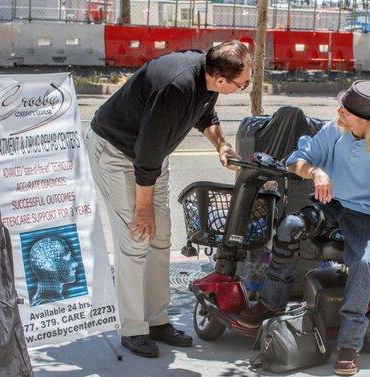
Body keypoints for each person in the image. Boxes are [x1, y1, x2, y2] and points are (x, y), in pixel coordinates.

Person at [238, 80, 370, 375]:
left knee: (364, 261)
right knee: (290, 226)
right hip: (329, 205)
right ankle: (270, 304)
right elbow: (296, 161)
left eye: (345, 110)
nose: (338, 112)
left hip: (364, 216)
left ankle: (349, 343)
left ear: (366, 120)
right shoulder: (335, 130)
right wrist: (316, 171)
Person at [86, 41, 250, 358]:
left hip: (152, 157)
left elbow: (205, 113)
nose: (243, 87)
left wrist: (221, 145)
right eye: (242, 84)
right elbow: (146, 153)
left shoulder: (207, 73)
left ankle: (157, 321)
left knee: (160, 238)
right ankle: (133, 328)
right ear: (220, 78)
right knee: (137, 237)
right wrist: (143, 208)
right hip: (118, 152)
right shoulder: (175, 88)